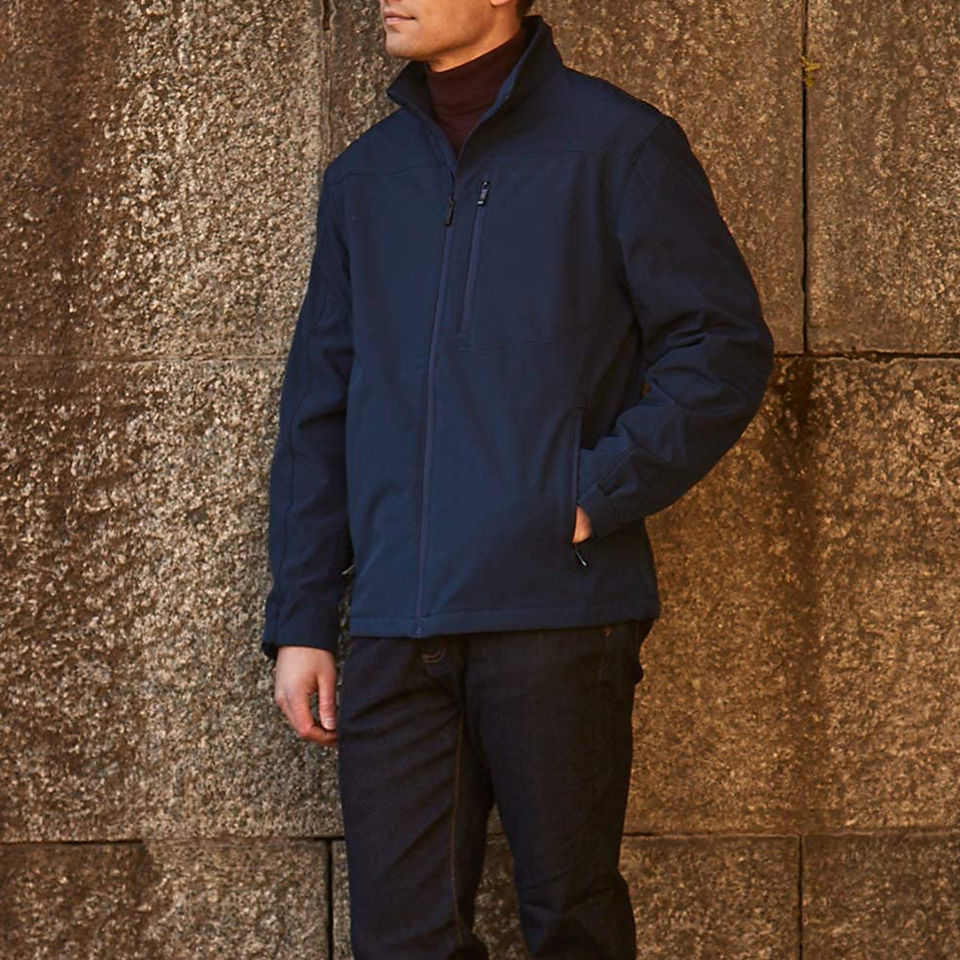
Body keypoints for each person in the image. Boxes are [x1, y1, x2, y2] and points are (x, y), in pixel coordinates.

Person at [261, 1, 774, 957]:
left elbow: (721, 348)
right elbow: (319, 408)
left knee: (572, 922)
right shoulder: (365, 177)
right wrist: (302, 619)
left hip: (556, 613)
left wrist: (588, 493)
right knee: (400, 941)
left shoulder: (620, 146)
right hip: (395, 626)